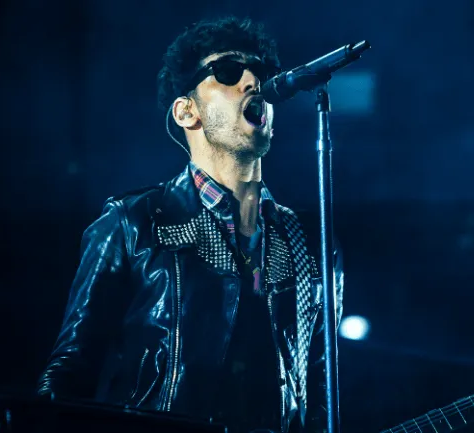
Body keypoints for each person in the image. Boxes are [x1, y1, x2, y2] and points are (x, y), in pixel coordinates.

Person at [37, 16, 344, 433]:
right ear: (186, 112)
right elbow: (69, 374)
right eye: (229, 71)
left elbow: (321, 391)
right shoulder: (133, 224)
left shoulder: (311, 242)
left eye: (261, 72)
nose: (253, 81)